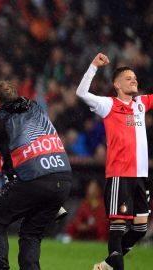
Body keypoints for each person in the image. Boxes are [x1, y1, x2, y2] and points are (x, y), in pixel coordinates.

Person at [0, 81, 72, 270]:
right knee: (31, 234)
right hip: (63, 177)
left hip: (33, 179)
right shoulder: (35, 107)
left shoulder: (1, 118)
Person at [76, 53, 151, 270]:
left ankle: (107, 264)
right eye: (128, 78)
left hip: (141, 176)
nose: (134, 80)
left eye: (135, 77)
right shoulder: (108, 105)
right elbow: (81, 92)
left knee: (139, 229)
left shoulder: (140, 104)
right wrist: (93, 66)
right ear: (117, 85)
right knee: (118, 228)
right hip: (120, 174)